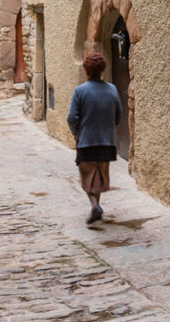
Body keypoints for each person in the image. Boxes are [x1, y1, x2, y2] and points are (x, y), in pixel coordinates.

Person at [67, 52, 121, 224]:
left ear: (86, 70)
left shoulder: (80, 91)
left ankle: (94, 205)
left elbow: (71, 118)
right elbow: (118, 116)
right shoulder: (112, 89)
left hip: (87, 142)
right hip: (106, 143)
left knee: (87, 177)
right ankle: (96, 205)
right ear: (102, 69)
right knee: (98, 175)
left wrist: (77, 133)